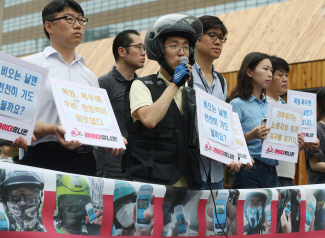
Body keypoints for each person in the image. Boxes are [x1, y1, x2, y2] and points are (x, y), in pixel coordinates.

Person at [19, 0, 125, 176]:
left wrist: (111, 139)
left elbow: (95, 122)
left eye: (81, 20)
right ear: (49, 26)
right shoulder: (30, 66)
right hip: (42, 157)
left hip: (85, 160)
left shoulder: (90, 75)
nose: (78, 25)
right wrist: (53, 129)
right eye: (69, 19)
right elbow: (16, 121)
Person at [124, 14, 203, 189]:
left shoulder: (192, 95)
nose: (181, 52)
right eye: (174, 45)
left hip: (188, 183)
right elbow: (149, 119)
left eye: (186, 47)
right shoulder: (141, 85)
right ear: (159, 50)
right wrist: (175, 83)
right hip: (152, 182)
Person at [191, 15, 242, 190]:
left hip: (217, 173)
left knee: (214, 217)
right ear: (196, 39)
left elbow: (224, 124)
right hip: (191, 169)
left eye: (221, 38)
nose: (218, 42)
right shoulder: (184, 74)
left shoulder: (221, 81)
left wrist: (239, 152)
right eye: (212, 35)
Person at [95, 30, 145, 180]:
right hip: (113, 169)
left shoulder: (143, 86)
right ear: (122, 51)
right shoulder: (104, 83)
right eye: (139, 47)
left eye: (144, 48)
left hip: (140, 168)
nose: (144, 53)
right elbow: (95, 123)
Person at [229, 52, 277, 189]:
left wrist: (291, 140)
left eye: (271, 70)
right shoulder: (237, 104)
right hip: (249, 168)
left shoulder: (271, 106)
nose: (270, 74)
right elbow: (229, 143)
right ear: (249, 72)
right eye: (265, 69)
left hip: (272, 170)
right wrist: (251, 135)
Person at [265, 56, 309, 186]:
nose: (285, 79)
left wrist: (305, 144)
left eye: (287, 75)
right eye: (280, 75)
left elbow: (287, 147)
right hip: (270, 174)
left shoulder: (288, 109)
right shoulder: (262, 104)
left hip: (288, 175)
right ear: (269, 76)